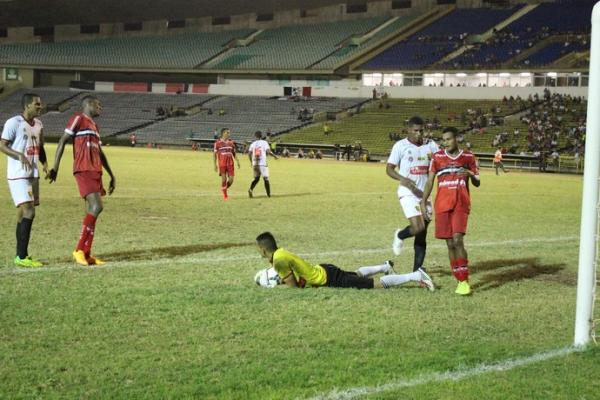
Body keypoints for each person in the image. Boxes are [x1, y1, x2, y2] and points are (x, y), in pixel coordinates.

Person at [47, 95, 116, 266]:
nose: (101, 108)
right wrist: (55, 166)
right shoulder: (78, 118)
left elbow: (99, 152)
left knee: (92, 210)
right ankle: (78, 250)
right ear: (88, 104)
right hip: (83, 168)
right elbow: (63, 140)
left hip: (95, 170)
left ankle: (86, 253)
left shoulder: (94, 125)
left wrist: (111, 174)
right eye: (98, 105)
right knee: (97, 207)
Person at [255, 232, 434, 290]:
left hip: (328, 278)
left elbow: (294, 287)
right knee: (356, 274)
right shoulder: (280, 253)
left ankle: (416, 275)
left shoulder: (278, 260)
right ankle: (385, 266)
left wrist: (277, 283)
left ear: (263, 249)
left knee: (374, 285)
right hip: (325, 269)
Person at [421, 127, 480, 295]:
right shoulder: (438, 158)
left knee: (457, 239)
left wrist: (469, 173)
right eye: (443, 140)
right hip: (442, 204)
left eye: (449, 139)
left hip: (461, 203)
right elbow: (430, 181)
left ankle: (464, 280)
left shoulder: (468, 156)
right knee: (449, 244)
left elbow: (477, 182)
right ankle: (458, 277)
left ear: (456, 139)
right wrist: (423, 201)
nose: (445, 142)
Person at [386, 116, 439, 272]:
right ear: (408, 130)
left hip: (425, 194)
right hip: (407, 192)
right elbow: (389, 168)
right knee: (417, 227)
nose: (419, 134)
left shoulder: (431, 145)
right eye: (415, 130)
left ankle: (417, 271)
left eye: (421, 130)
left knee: (422, 234)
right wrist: (404, 179)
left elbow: (442, 160)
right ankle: (400, 235)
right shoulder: (400, 145)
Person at [0, 93, 47, 267]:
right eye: (37, 104)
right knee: (29, 212)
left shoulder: (39, 124)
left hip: (33, 175)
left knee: (22, 214)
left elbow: (40, 147)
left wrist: (45, 164)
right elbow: (2, 145)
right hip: (18, 174)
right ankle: (22, 256)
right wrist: (19, 155)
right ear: (27, 106)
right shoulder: (14, 123)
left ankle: (19, 255)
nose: (40, 107)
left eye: (40, 104)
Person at [248, 131, 278, 198]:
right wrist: (274, 156)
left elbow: (249, 153)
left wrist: (251, 162)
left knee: (256, 178)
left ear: (255, 136)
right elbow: (268, 151)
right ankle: (268, 195)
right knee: (266, 179)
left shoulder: (252, 144)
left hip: (255, 163)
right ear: (261, 136)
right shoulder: (264, 142)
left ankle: (250, 189)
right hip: (263, 163)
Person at [213, 128, 240, 201]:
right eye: (227, 132)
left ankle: (224, 189)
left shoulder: (231, 143)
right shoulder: (217, 143)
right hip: (222, 163)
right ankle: (225, 195)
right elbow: (214, 154)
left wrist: (237, 161)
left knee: (231, 180)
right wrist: (215, 164)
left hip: (230, 163)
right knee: (224, 179)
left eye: (229, 132)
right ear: (223, 133)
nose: (229, 134)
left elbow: (234, 153)